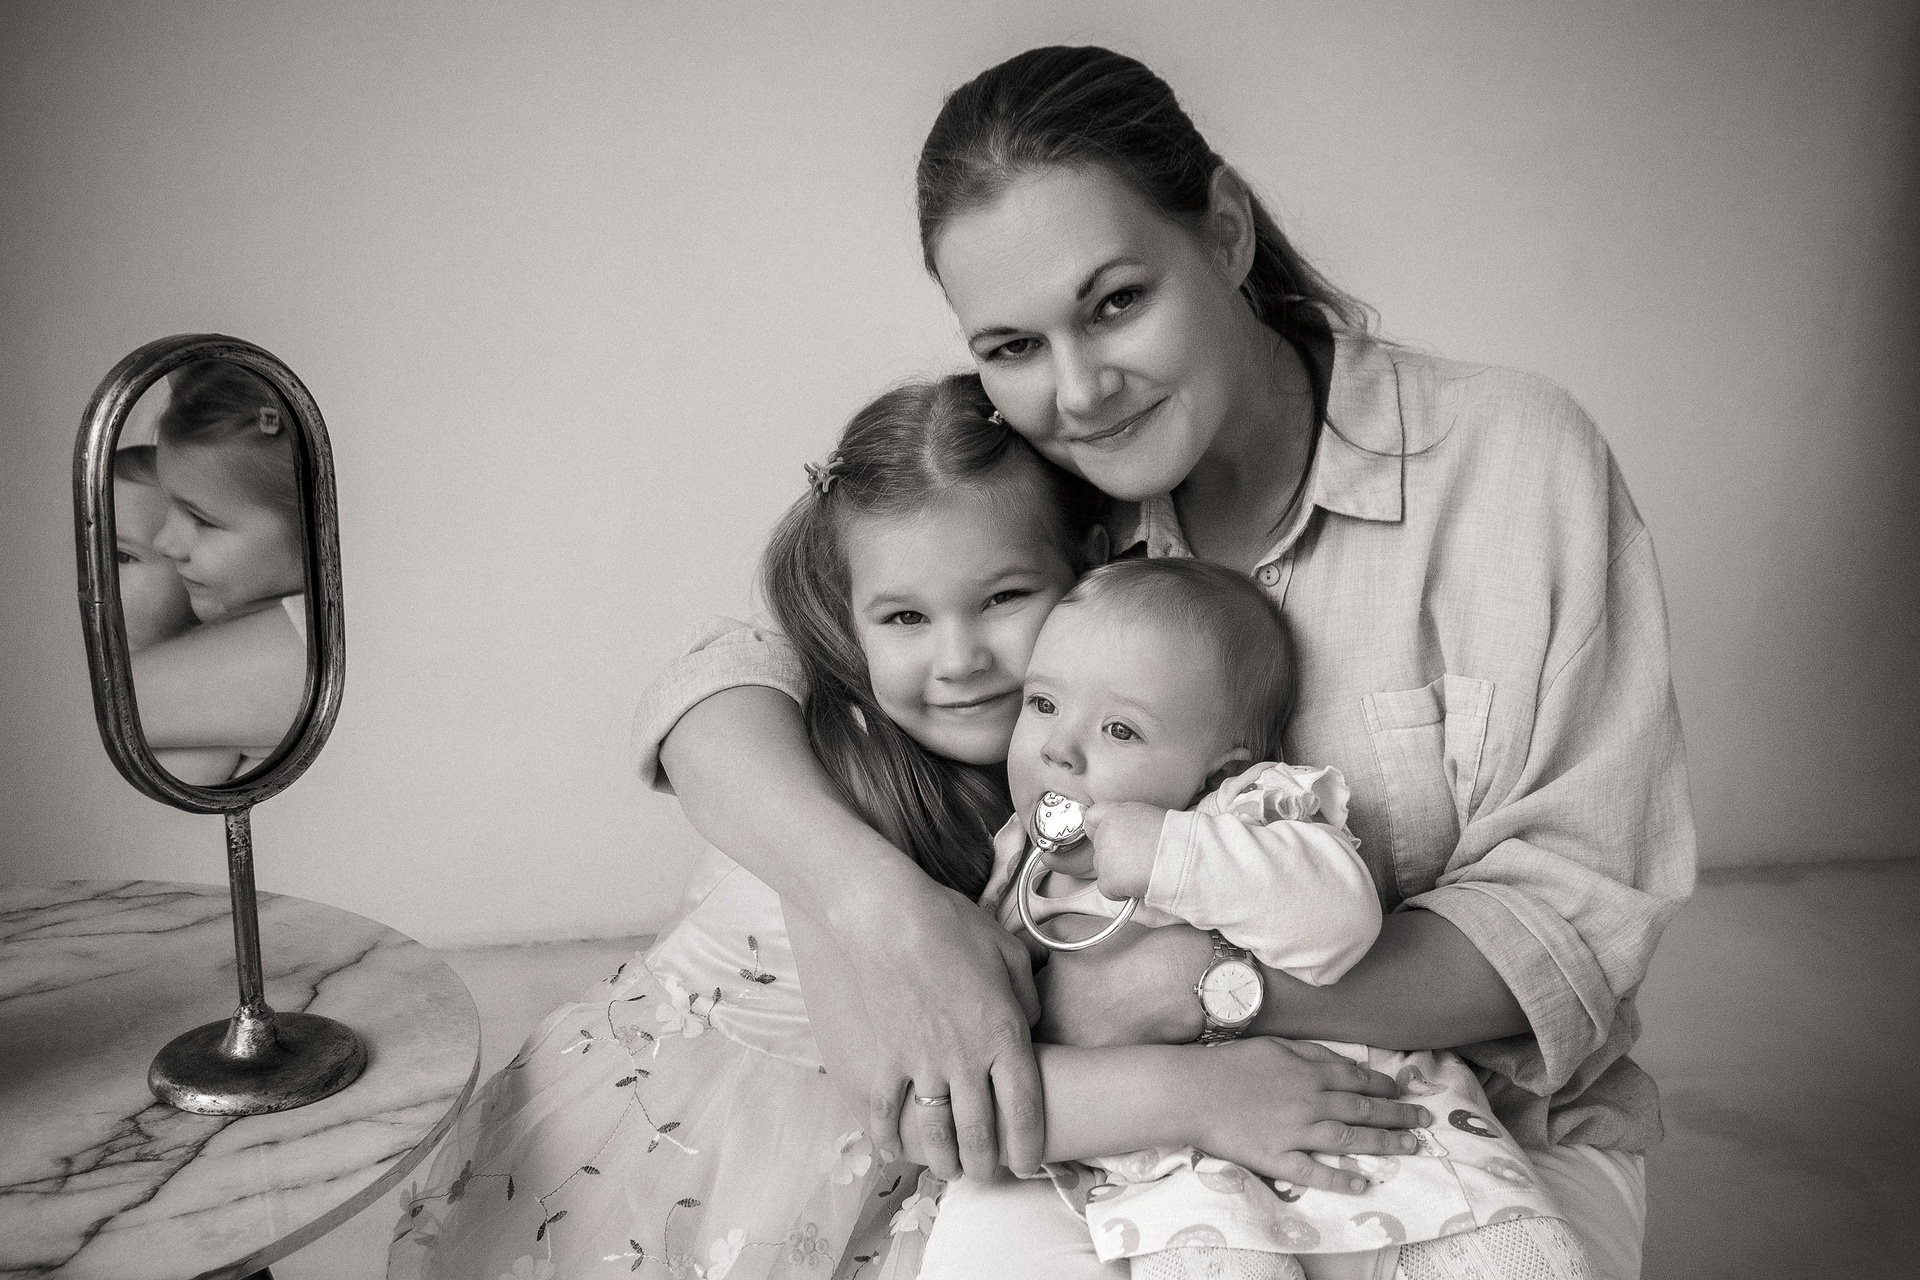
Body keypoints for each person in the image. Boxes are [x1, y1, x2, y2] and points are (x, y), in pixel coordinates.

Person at [644, 45, 1693, 1280]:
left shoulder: (1510, 462)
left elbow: (1568, 923)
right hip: (1126, 1135)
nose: (1080, 390)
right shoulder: (1050, 497)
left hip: (1476, 1117)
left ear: (1227, 233)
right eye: (1012, 345)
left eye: (1116, 302)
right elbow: (738, 670)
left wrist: (1197, 986)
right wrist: (885, 906)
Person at [919, 557, 1593, 1279]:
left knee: (1508, 1256)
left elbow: (1341, 924)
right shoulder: (1016, 871)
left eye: (1119, 729)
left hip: (1359, 1115)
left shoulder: (1243, 811)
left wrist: (1172, 850)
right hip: (1175, 1173)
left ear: (1217, 770)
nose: (1059, 748)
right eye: (1044, 704)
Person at [133, 361, 310, 778]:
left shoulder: (302, 647)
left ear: (312, 531)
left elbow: (68, 712)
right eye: (170, 506)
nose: (164, 542)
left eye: (202, 520)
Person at [111, 444, 244, 784]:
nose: (93, 575)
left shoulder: (203, 710)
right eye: (84, 554)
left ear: (193, 576)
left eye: (122, 557)